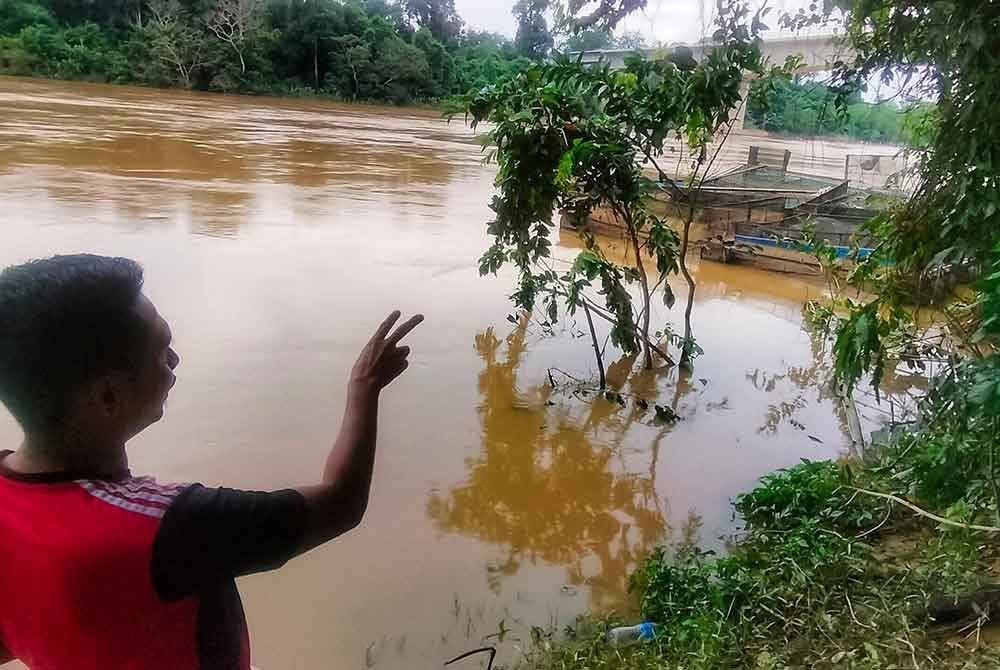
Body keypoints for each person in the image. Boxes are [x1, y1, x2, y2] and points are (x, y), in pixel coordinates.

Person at [0, 254, 423, 669]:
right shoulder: (170, 528)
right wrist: (363, 389)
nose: (175, 361)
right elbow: (342, 503)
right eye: (162, 351)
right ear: (109, 397)